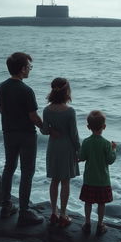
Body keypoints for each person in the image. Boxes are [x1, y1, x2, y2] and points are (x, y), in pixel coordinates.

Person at [0, 52, 44, 226]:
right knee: (27, 172)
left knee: (9, 167)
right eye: (29, 67)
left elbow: (1, 110)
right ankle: (24, 211)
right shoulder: (26, 90)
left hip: (8, 132)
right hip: (26, 135)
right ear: (22, 69)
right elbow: (33, 116)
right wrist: (45, 128)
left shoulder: (1, 87)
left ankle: (6, 205)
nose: (30, 69)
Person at [40, 77, 80, 227]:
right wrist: (79, 150)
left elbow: (44, 130)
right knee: (65, 181)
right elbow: (74, 134)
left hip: (54, 147)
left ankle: (53, 213)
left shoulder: (46, 110)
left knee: (54, 181)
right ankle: (63, 214)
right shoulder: (70, 111)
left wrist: (51, 130)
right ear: (67, 91)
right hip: (67, 147)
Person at [79, 110, 117, 235]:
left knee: (88, 202)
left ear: (88, 127)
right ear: (104, 127)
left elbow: (82, 157)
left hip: (89, 179)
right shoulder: (106, 144)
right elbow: (110, 160)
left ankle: (88, 223)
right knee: (101, 204)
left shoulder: (86, 142)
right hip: (103, 180)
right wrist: (114, 149)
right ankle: (100, 224)